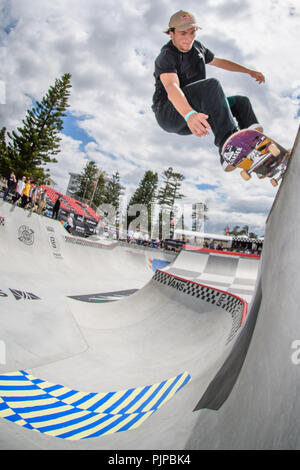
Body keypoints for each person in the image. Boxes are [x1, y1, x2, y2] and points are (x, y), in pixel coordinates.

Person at [152, 10, 265, 166]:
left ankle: (254, 145)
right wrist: (189, 114)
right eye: (183, 33)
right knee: (212, 86)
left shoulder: (198, 48)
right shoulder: (166, 56)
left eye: (192, 33)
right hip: (170, 113)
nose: (188, 39)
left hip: (195, 113)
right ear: (171, 33)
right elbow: (171, 87)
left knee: (241, 102)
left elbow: (220, 62)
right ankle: (228, 149)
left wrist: (249, 71)